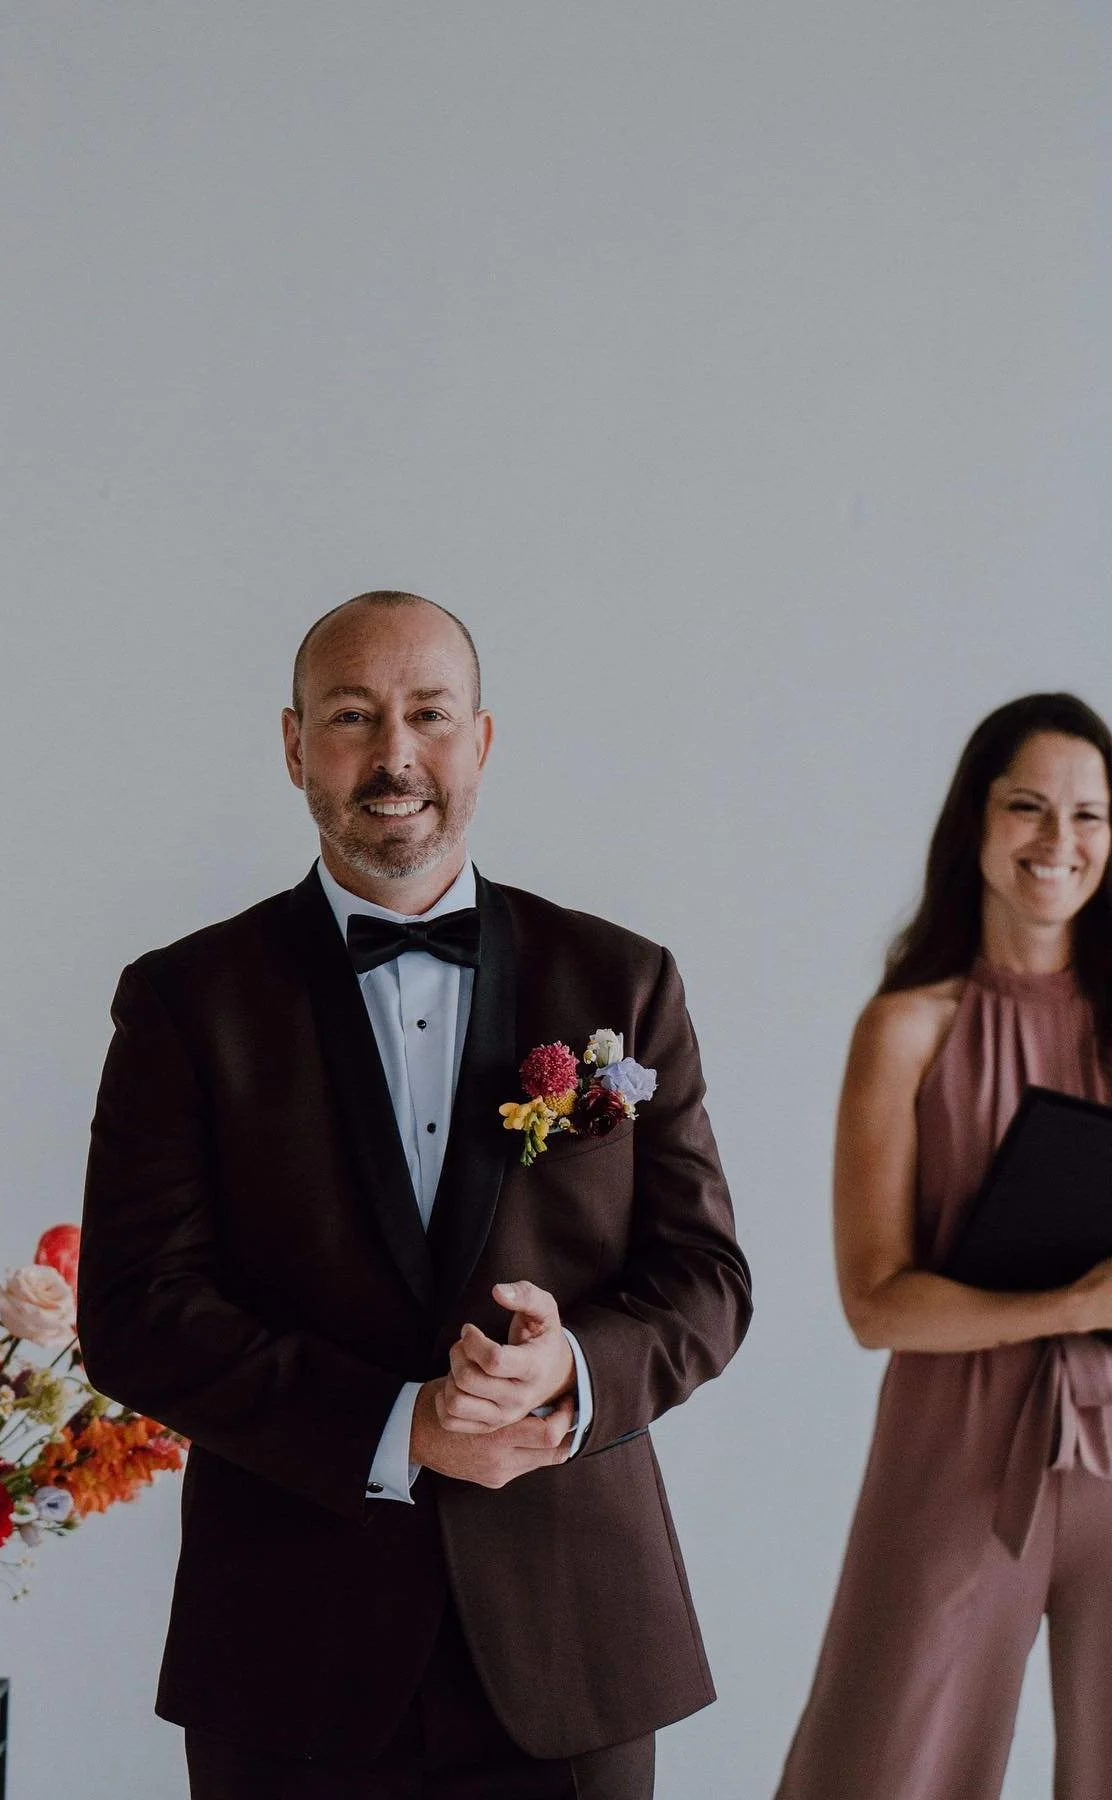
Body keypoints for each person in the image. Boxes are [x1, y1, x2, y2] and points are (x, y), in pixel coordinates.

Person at [77, 590, 751, 1799]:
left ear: (481, 740)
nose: (396, 755)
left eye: (429, 714)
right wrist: (397, 1425)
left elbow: (706, 1281)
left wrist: (571, 1371)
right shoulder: (186, 1001)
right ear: (293, 747)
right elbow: (136, 1309)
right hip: (291, 1648)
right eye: (352, 716)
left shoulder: (623, 979)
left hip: (575, 1645)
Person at [775, 692, 1112, 1800]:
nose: (1059, 844)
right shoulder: (910, 1026)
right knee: (887, 1767)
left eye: (1090, 816)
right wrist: (1073, 1305)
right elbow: (873, 1302)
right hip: (956, 1449)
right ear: (975, 820)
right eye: (1029, 807)